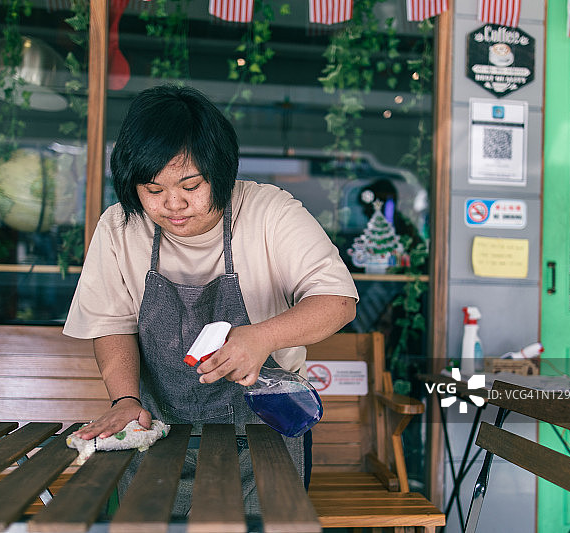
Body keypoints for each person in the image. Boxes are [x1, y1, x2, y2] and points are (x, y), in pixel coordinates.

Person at [63, 84, 358, 515]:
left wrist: (261, 338)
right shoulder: (119, 227)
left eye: (191, 185)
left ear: (219, 171)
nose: (173, 204)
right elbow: (112, 324)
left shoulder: (268, 212)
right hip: (156, 433)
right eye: (153, 189)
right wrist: (124, 399)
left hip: (266, 432)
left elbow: (338, 300)